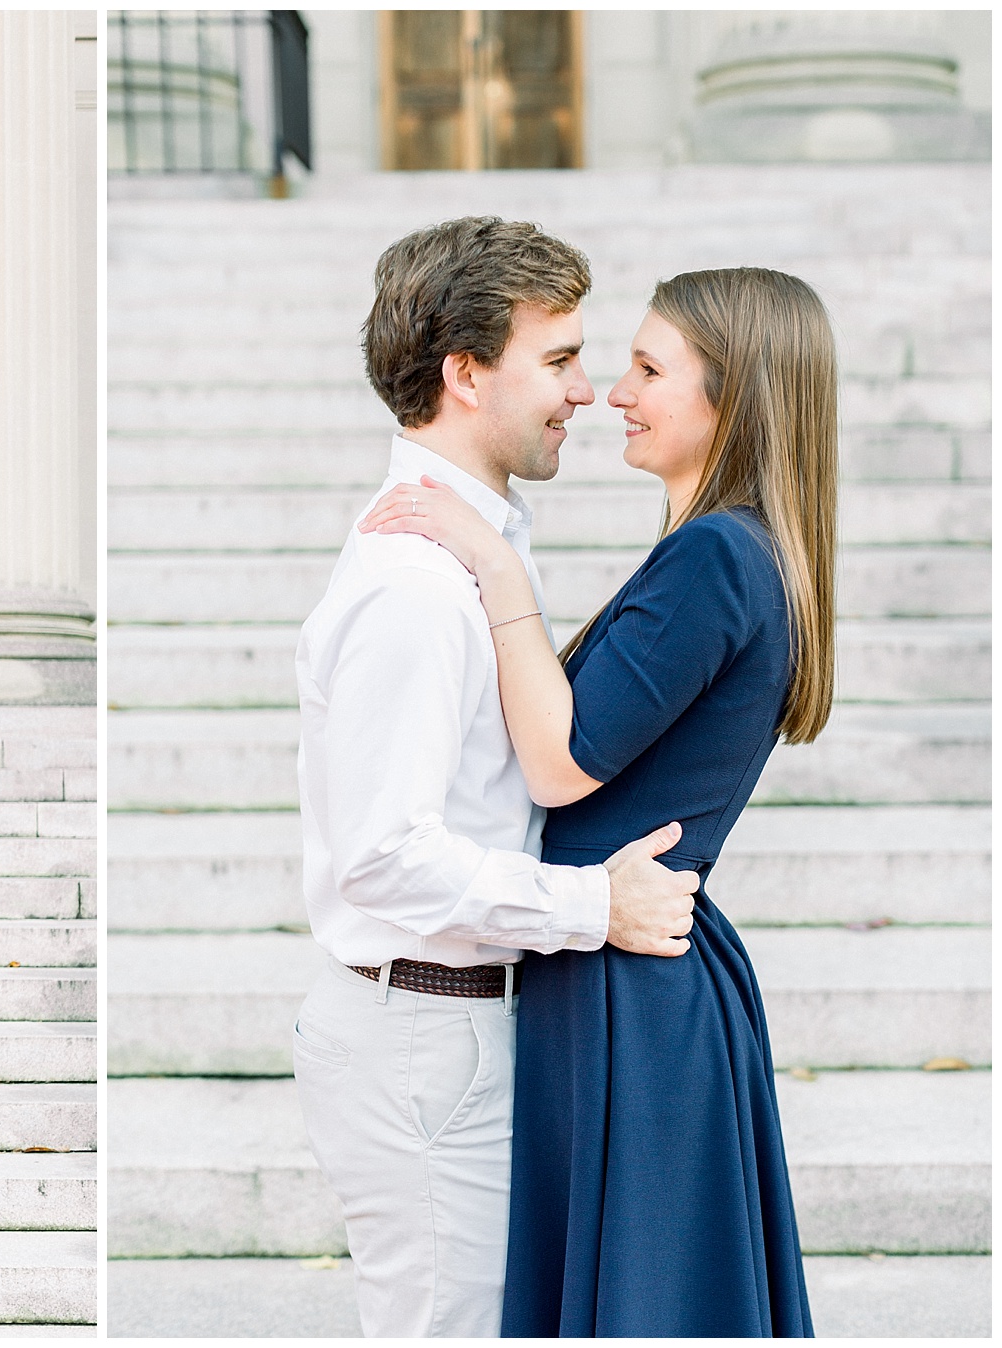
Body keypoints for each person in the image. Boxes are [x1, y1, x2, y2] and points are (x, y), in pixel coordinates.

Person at [360, 266, 830, 1336]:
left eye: (650, 370)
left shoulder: (716, 555)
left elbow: (563, 762)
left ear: (735, 398)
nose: (616, 391)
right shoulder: (726, 548)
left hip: (632, 988)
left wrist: (494, 564)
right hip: (630, 972)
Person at [291, 216, 701, 1338]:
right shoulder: (416, 587)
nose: (587, 388)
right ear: (465, 373)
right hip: (422, 1038)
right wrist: (594, 905)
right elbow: (385, 855)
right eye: (559, 359)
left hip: (454, 1030)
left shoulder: (476, 546)